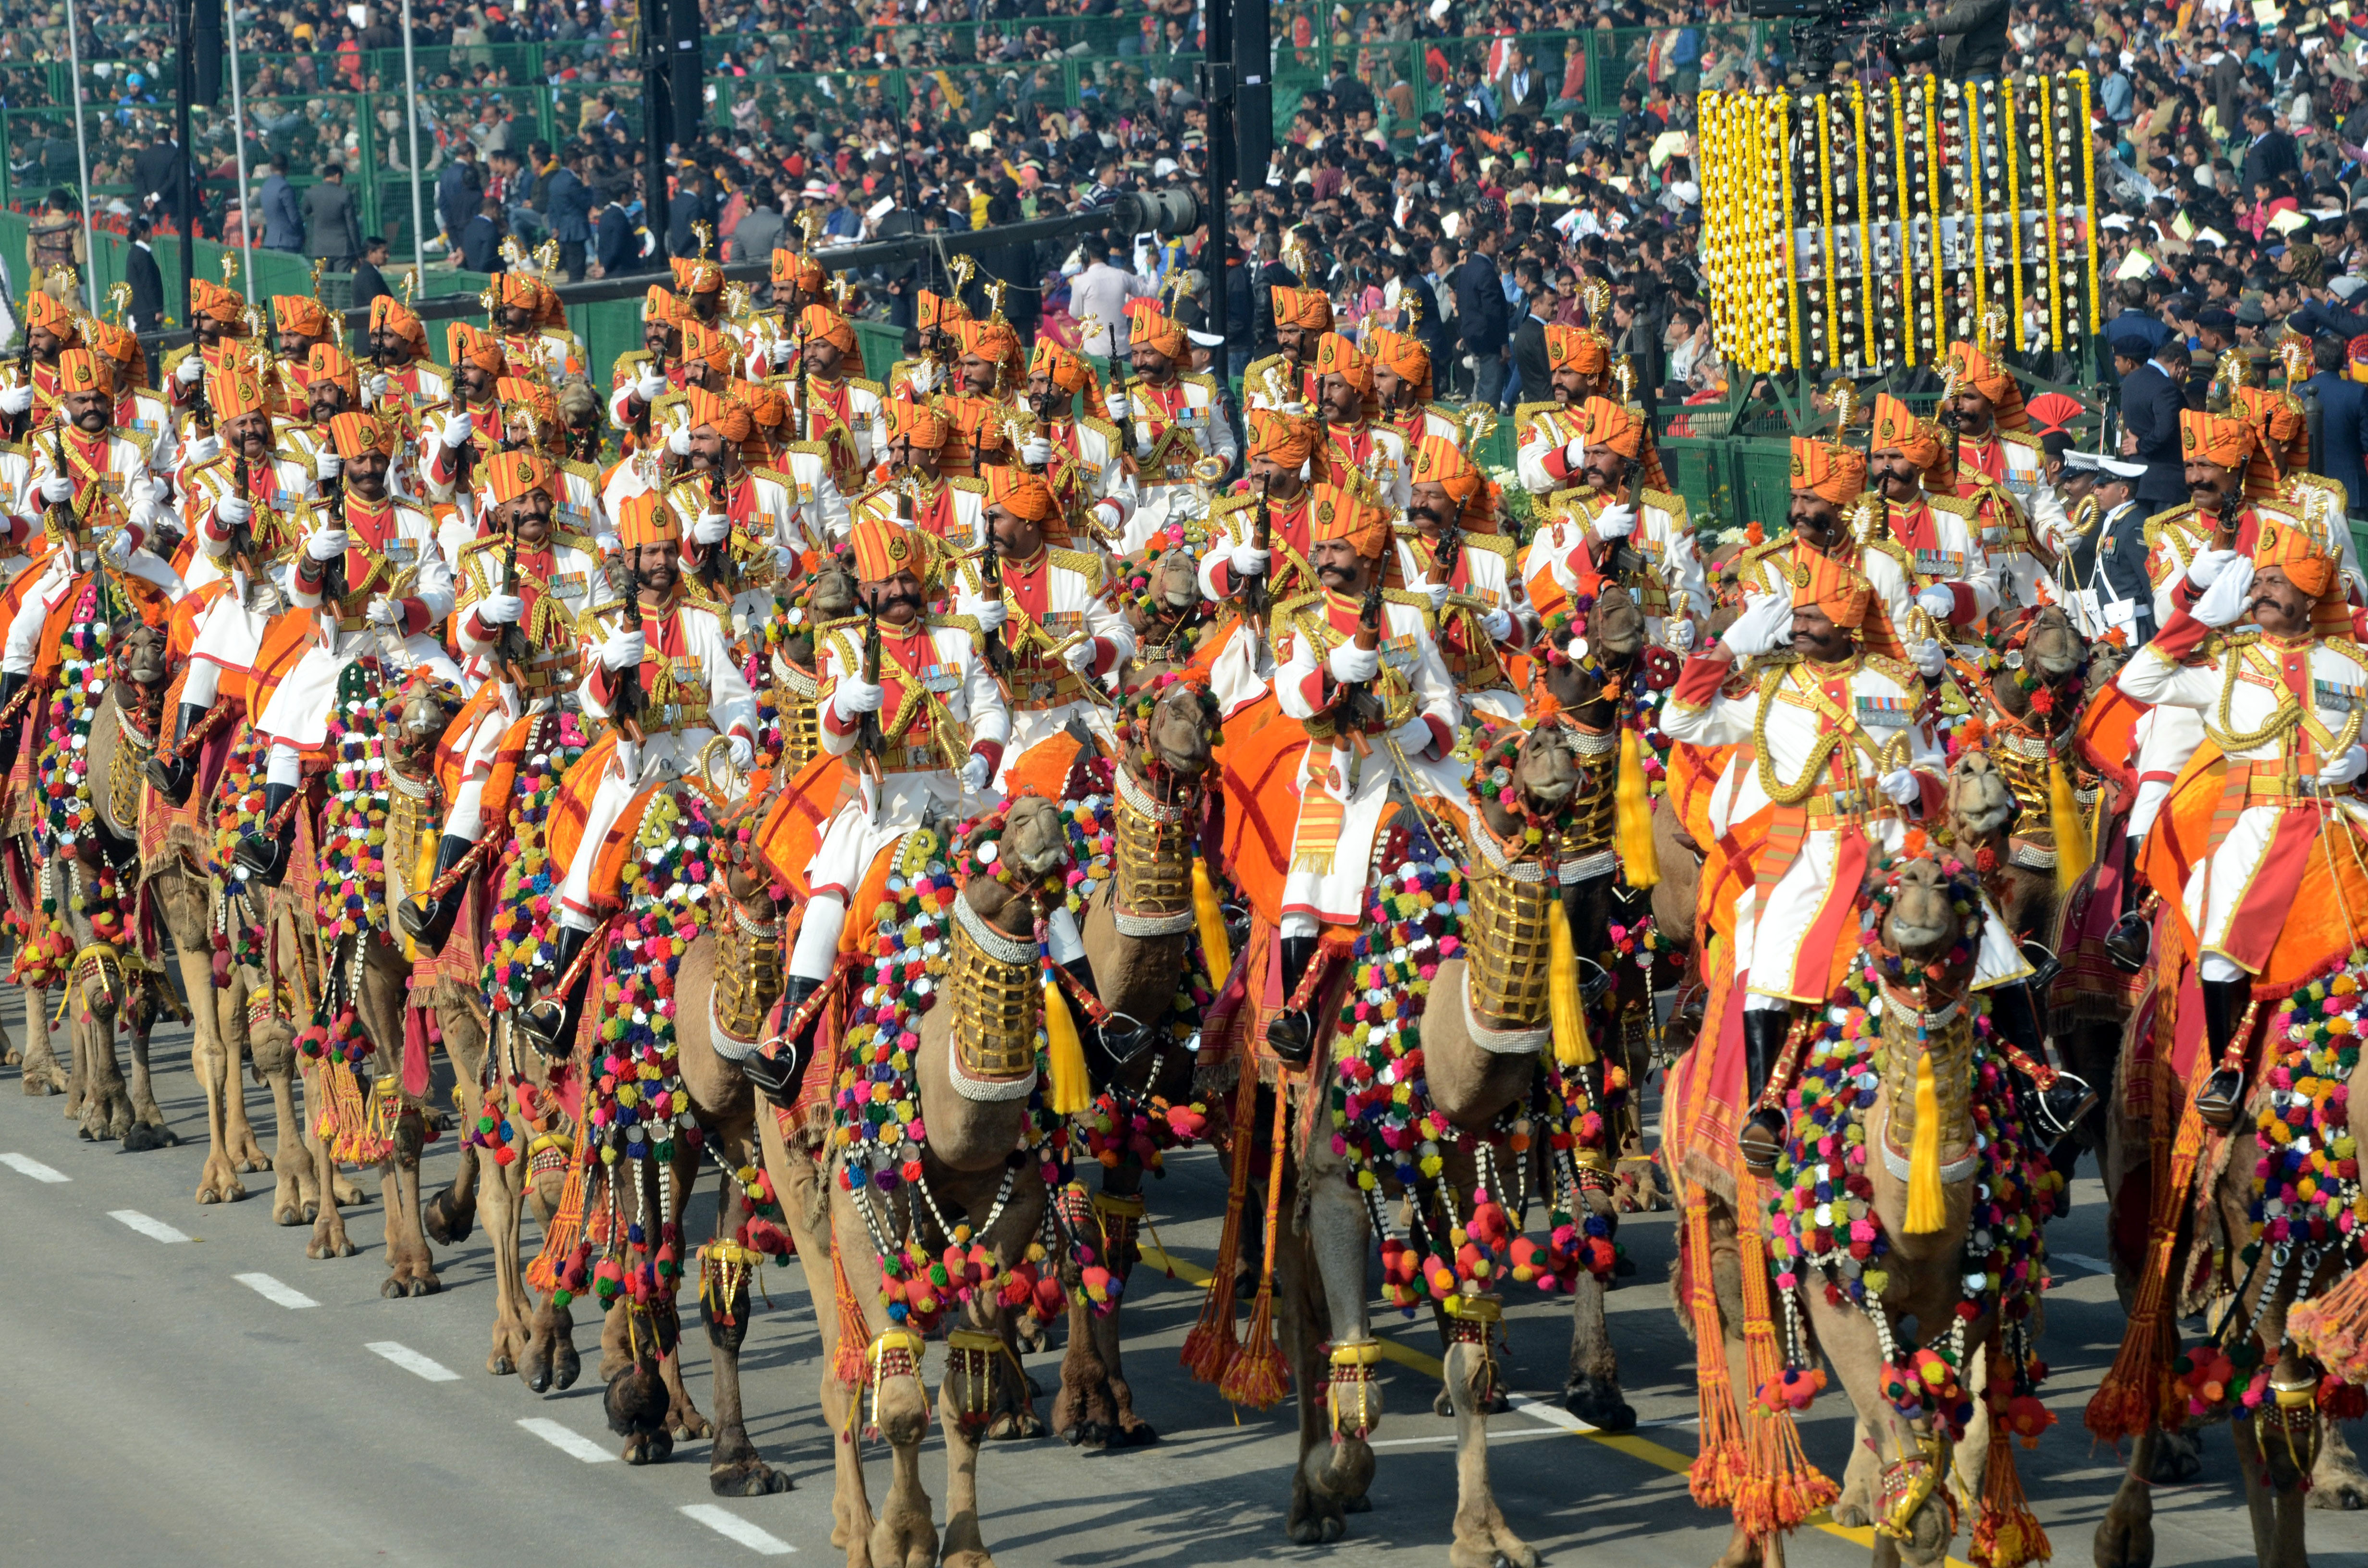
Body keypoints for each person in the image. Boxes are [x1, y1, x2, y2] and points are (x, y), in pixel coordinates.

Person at [741, 510, 1009, 1103]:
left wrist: (985, 757)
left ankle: (1092, 1016)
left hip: (960, 793)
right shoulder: (839, 643)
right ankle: (791, 1038)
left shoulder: (956, 636)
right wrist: (847, 705)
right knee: (828, 901)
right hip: (879, 806)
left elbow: (992, 711)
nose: (897, 592)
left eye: (905, 580)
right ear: (864, 591)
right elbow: (833, 741)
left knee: (1029, 871)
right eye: (884, 585)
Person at [520, 489, 755, 1053]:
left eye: (669, 550)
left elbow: (733, 696)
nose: (663, 562)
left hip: (705, 764)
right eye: (650, 553)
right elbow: (592, 702)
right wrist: (609, 664)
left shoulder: (701, 619)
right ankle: (563, 1000)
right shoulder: (602, 621)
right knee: (594, 854)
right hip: (636, 763)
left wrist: (741, 736)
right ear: (628, 560)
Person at [2119, 336, 2191, 509]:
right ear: (2178, 363)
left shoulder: (2130, 380)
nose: (2186, 377)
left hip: (2137, 480)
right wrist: (2141, 445)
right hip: (2166, 484)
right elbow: (2165, 430)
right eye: (2187, 371)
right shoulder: (2167, 388)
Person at [2304, 334, 2368, 516]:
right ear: (2343, 362)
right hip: (2351, 492)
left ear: (2314, 361)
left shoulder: (2296, 393)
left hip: (2308, 493)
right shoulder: (2358, 393)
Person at [301, 165, 362, 272]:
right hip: (343, 249)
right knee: (341, 283)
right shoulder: (345, 195)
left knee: (322, 283)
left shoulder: (311, 194)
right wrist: (358, 252)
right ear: (338, 176)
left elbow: (304, 211)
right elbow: (352, 225)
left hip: (320, 248)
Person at [122, 217, 165, 339]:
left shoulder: (134, 252)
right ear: (142, 233)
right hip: (145, 314)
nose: (151, 234)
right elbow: (149, 285)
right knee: (148, 348)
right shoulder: (142, 255)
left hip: (137, 312)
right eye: (149, 231)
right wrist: (157, 310)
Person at [258, 159, 305, 254]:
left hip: (270, 241)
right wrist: (302, 234)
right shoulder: (285, 188)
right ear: (287, 168)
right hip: (287, 242)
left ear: (271, 167)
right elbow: (294, 218)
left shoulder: (265, 186)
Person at [349, 235, 395, 319]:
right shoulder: (369, 276)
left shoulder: (368, 272)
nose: (387, 256)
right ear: (370, 253)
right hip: (370, 328)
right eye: (384, 252)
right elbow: (378, 305)